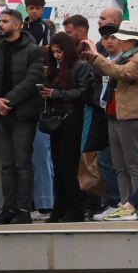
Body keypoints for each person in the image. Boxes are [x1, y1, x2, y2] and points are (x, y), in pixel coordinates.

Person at [0, 8, 46, 224]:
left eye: (5, 21)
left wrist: (7, 101)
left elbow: (32, 80)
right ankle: (8, 209)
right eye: (0, 21)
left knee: (22, 163)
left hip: (23, 115)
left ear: (17, 25)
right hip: (0, 115)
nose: (0, 24)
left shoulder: (32, 50)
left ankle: (23, 209)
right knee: (6, 165)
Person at [85, 21, 138, 219]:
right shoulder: (125, 56)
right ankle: (125, 204)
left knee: (134, 164)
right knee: (120, 165)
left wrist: (95, 55)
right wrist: (93, 58)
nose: (118, 42)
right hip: (116, 115)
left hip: (132, 116)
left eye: (122, 39)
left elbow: (119, 72)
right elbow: (107, 69)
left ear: (133, 41)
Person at [39, 32, 95, 222]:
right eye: (54, 52)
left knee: (67, 167)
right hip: (58, 121)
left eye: (59, 51)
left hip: (72, 120)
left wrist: (56, 93)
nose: (56, 55)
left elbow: (83, 92)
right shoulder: (56, 69)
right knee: (58, 166)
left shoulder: (80, 67)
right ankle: (60, 207)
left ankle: (75, 207)